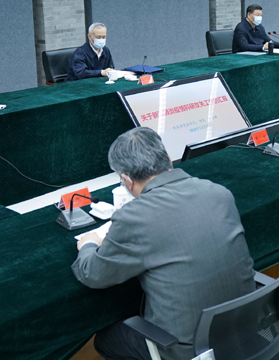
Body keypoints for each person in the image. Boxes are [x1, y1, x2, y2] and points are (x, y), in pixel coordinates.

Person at [72, 127, 255, 360]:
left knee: (107, 339)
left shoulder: (134, 217)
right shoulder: (219, 192)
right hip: (245, 331)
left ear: (127, 180)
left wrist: (88, 244)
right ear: (168, 159)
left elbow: (94, 274)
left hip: (188, 350)